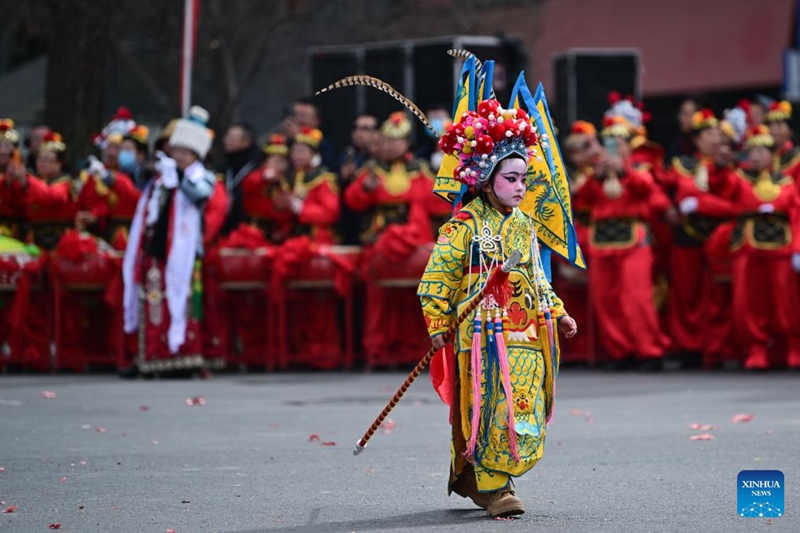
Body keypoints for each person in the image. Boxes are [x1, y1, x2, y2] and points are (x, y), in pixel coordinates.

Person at [418, 98, 577, 518]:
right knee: (489, 402)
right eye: (511, 178)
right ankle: (494, 485)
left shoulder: (524, 224)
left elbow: (537, 278)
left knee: (523, 398)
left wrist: (558, 312)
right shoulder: (463, 225)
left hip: (524, 330)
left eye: (524, 177)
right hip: (481, 333)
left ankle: (485, 477)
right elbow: (437, 278)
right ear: (486, 180)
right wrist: (437, 321)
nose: (521, 186)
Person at [122, 106, 217, 375]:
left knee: (184, 303)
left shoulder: (202, 176)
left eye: (185, 153)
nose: (179, 157)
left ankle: (183, 359)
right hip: (156, 247)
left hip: (184, 252)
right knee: (153, 301)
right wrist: (154, 169)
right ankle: (150, 358)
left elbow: (200, 196)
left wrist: (180, 178)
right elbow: (139, 182)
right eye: (176, 151)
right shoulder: (162, 173)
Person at [344, 111, 439, 366]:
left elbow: (439, 203)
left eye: (395, 141)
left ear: (407, 143)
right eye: (385, 141)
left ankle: (417, 346)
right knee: (380, 293)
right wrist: (365, 189)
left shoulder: (420, 170)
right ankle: (380, 346)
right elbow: (352, 201)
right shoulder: (371, 171)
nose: (390, 145)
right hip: (380, 237)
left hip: (415, 239)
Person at [577, 115, 669, 370]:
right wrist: (597, 176)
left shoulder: (640, 169)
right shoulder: (595, 172)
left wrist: (623, 170)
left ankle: (649, 351)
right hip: (602, 240)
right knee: (606, 298)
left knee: (636, 298)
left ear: (630, 145)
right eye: (610, 142)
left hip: (633, 238)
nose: (615, 147)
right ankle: (621, 351)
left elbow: (646, 189)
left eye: (620, 142)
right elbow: (581, 201)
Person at [710, 125, 800, 370]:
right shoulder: (738, 178)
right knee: (748, 301)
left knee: (785, 300)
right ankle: (756, 348)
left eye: (762, 151)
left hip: (780, 246)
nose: (757, 156)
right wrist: (719, 165)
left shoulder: (788, 182)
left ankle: (792, 347)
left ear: (773, 154)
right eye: (753, 151)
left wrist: (797, 249)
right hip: (747, 246)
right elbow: (718, 186)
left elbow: (796, 215)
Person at [659, 109, 735, 364]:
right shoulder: (683, 165)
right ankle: (688, 347)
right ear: (697, 139)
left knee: (718, 294)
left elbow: (733, 201)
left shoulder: (729, 166)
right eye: (708, 134)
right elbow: (666, 191)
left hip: (721, 238)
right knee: (686, 294)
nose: (714, 138)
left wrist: (702, 203)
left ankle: (718, 348)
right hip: (687, 237)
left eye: (717, 133)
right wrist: (672, 206)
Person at [339, 114, 378, 245]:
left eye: (365, 128)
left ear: (377, 133)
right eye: (356, 128)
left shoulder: (380, 159)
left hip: (371, 220)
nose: (358, 133)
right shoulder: (347, 154)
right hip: (347, 220)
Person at [219, 122, 260, 236]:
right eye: (227, 137)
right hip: (223, 222)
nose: (227, 141)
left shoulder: (256, 167)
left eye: (232, 138)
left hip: (247, 223)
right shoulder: (224, 167)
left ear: (247, 142)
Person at [765, 101, 800, 183]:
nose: (773, 130)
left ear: (791, 130)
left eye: (779, 125)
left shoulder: (798, 158)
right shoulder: (766, 157)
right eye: (771, 125)